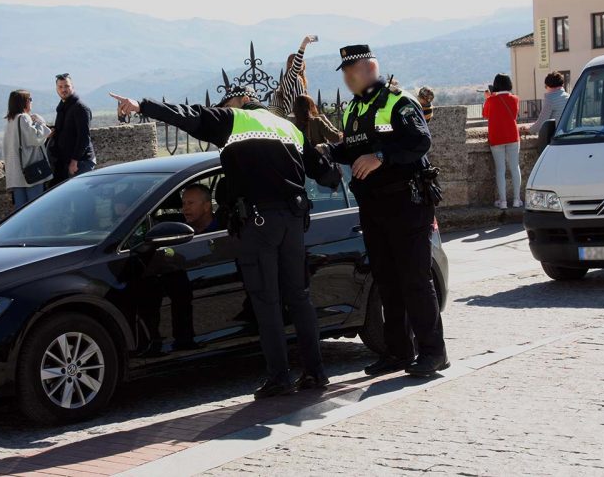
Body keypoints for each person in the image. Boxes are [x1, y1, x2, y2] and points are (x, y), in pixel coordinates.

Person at [110, 84, 342, 399]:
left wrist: (141, 105)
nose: (222, 107)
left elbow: (188, 117)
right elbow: (326, 174)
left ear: (242, 100)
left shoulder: (234, 119)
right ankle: (316, 373)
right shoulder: (287, 127)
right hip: (293, 222)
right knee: (299, 298)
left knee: (267, 301)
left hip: (259, 225)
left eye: (226, 102)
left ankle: (280, 378)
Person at [319, 45, 448, 378]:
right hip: (374, 207)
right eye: (344, 74)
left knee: (415, 281)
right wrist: (326, 153)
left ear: (370, 68)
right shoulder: (353, 109)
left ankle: (434, 353)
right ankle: (398, 352)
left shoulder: (398, 101)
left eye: (352, 72)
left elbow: (420, 142)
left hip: (407, 203)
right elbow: (351, 149)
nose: (347, 79)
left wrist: (381, 156)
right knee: (387, 282)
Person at [2, 90, 53, 208]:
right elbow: (35, 139)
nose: (31, 102)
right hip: (31, 170)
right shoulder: (23, 118)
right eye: (29, 99)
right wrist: (41, 122)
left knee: (20, 212)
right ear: (24, 102)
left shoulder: (11, 120)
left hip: (16, 174)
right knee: (34, 209)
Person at [483, 73, 522, 209]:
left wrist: (488, 98)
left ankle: (503, 201)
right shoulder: (515, 99)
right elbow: (514, 115)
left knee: (500, 170)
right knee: (515, 168)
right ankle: (517, 200)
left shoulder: (491, 100)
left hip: (496, 138)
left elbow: (485, 115)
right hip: (512, 136)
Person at [50, 73, 96, 186]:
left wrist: (74, 161)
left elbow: (84, 137)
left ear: (72, 87)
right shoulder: (63, 107)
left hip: (80, 162)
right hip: (65, 161)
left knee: (81, 198)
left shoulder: (80, 108)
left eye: (66, 86)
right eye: (60, 87)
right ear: (56, 89)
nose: (63, 89)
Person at [268, 35, 318, 118]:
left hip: (301, 116)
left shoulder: (299, 79)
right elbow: (296, 66)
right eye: (293, 62)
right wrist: (304, 44)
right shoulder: (290, 76)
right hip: (294, 117)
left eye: (300, 61)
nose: (296, 63)